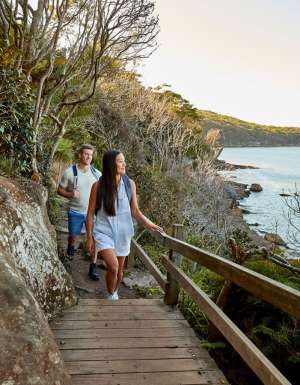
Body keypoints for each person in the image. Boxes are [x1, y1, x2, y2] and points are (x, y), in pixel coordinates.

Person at [86, 150, 162, 300]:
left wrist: (149, 223)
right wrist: (90, 237)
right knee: (113, 267)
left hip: (123, 233)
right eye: (120, 161)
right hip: (103, 232)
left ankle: (114, 291)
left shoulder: (129, 184)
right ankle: (111, 295)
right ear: (110, 164)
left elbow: (135, 210)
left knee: (120, 272)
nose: (124, 164)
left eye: (124, 160)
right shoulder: (98, 186)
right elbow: (89, 214)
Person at [57, 144, 102, 280]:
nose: (88, 156)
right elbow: (59, 190)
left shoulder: (97, 174)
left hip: (93, 213)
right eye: (86, 154)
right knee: (73, 237)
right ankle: (70, 252)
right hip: (75, 211)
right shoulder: (70, 172)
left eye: (90, 154)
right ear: (80, 155)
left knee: (94, 239)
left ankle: (93, 267)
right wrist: (70, 194)